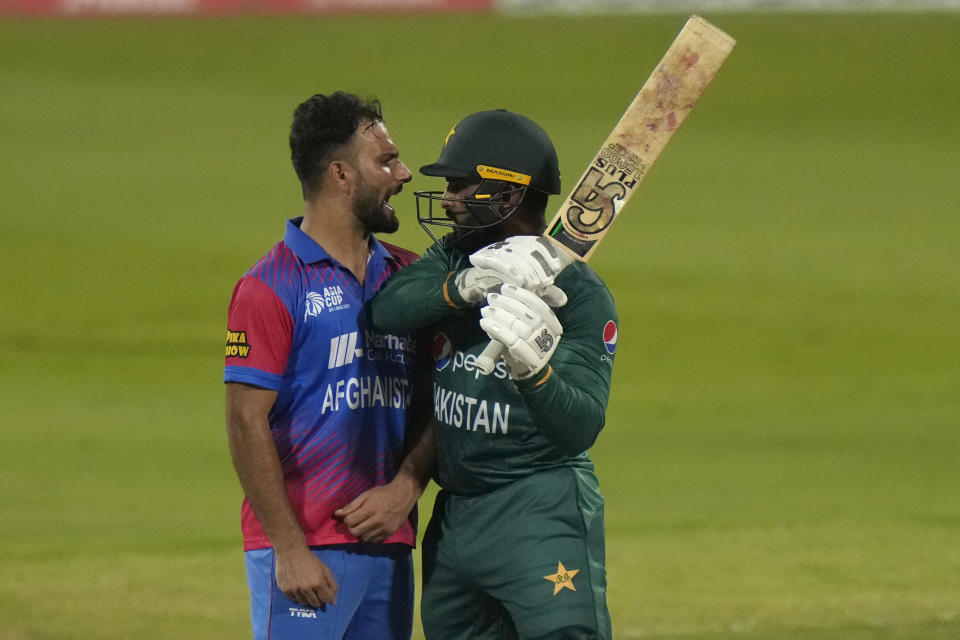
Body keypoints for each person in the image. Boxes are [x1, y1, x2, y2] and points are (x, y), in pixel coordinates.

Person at [370, 109, 617, 639]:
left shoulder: (578, 295)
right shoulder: (456, 255)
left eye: (461, 185)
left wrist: (535, 374)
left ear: (508, 193)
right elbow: (387, 309)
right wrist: (465, 285)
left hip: (538, 507)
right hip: (456, 512)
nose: (447, 198)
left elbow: (580, 426)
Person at [223, 91, 433, 640]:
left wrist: (407, 488)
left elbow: (448, 400)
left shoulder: (409, 280)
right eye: (386, 161)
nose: (404, 174)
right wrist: (289, 550)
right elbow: (245, 422)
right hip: (304, 552)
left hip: (387, 544)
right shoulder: (271, 286)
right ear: (341, 174)